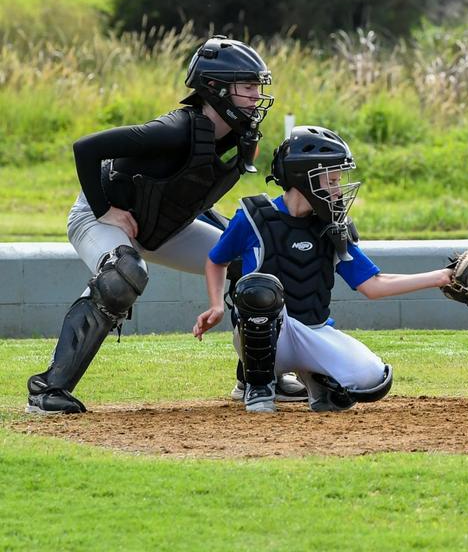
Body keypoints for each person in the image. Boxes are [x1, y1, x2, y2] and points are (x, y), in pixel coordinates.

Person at [26, 36, 287, 414]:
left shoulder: (239, 139)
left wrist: (234, 241)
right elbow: (86, 148)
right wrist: (104, 211)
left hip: (165, 227)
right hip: (104, 217)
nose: (255, 97)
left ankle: (258, 377)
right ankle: (48, 390)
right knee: (124, 274)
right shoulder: (174, 129)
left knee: (255, 264)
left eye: (256, 87)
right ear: (215, 89)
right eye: (247, 87)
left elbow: (192, 194)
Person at [191, 126, 468, 412]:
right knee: (260, 290)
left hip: (312, 331)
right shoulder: (254, 216)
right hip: (264, 333)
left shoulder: (331, 227)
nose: (339, 189)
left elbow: (373, 284)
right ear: (304, 177)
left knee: (372, 380)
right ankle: (255, 384)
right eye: (332, 180)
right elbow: (216, 259)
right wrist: (217, 305)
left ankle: (315, 379)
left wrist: (441, 277)